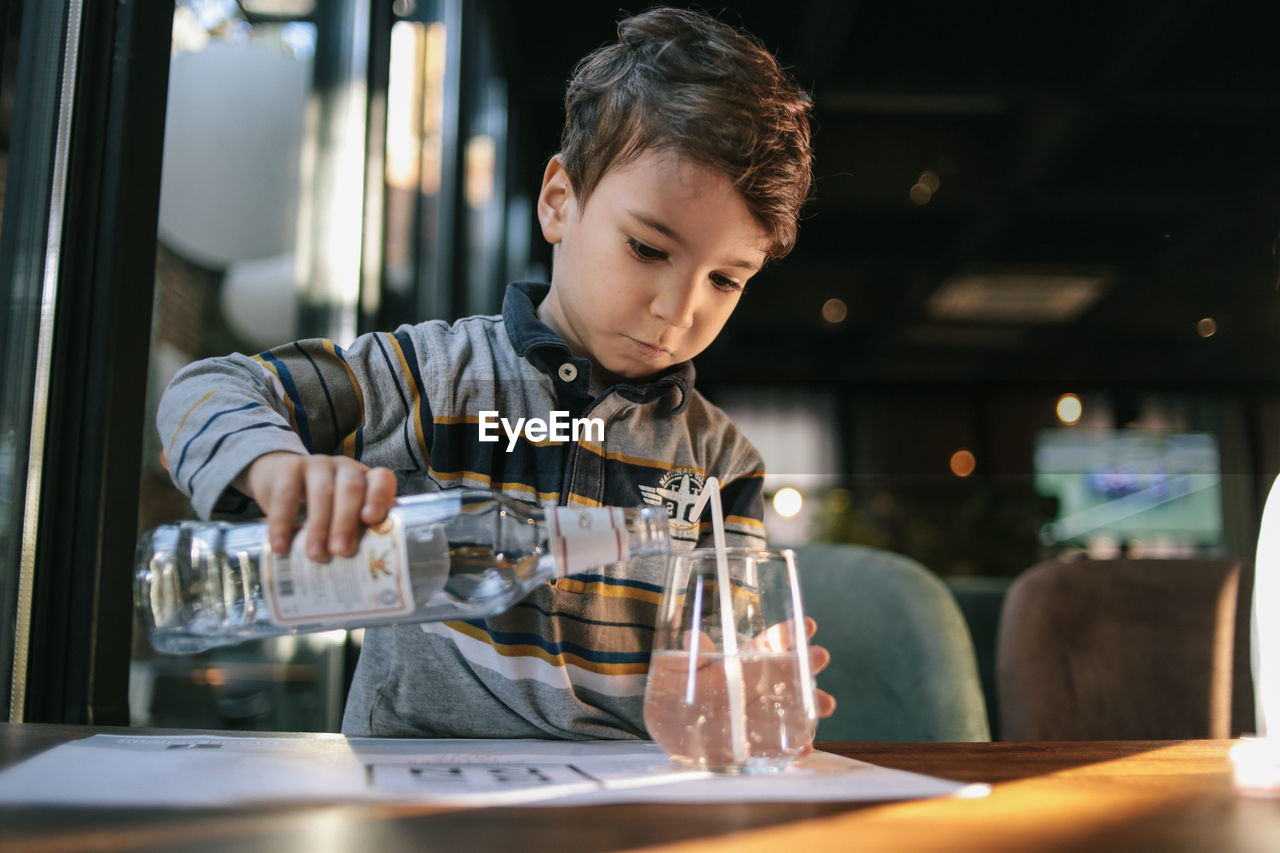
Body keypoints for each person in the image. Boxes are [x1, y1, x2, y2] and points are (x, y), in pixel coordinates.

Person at [158, 6, 834, 738]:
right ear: (559, 202)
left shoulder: (722, 467)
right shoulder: (433, 379)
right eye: (647, 248)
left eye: (726, 280)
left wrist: (736, 687)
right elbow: (209, 388)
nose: (679, 308)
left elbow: (719, 654)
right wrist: (274, 465)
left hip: (618, 806)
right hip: (414, 795)